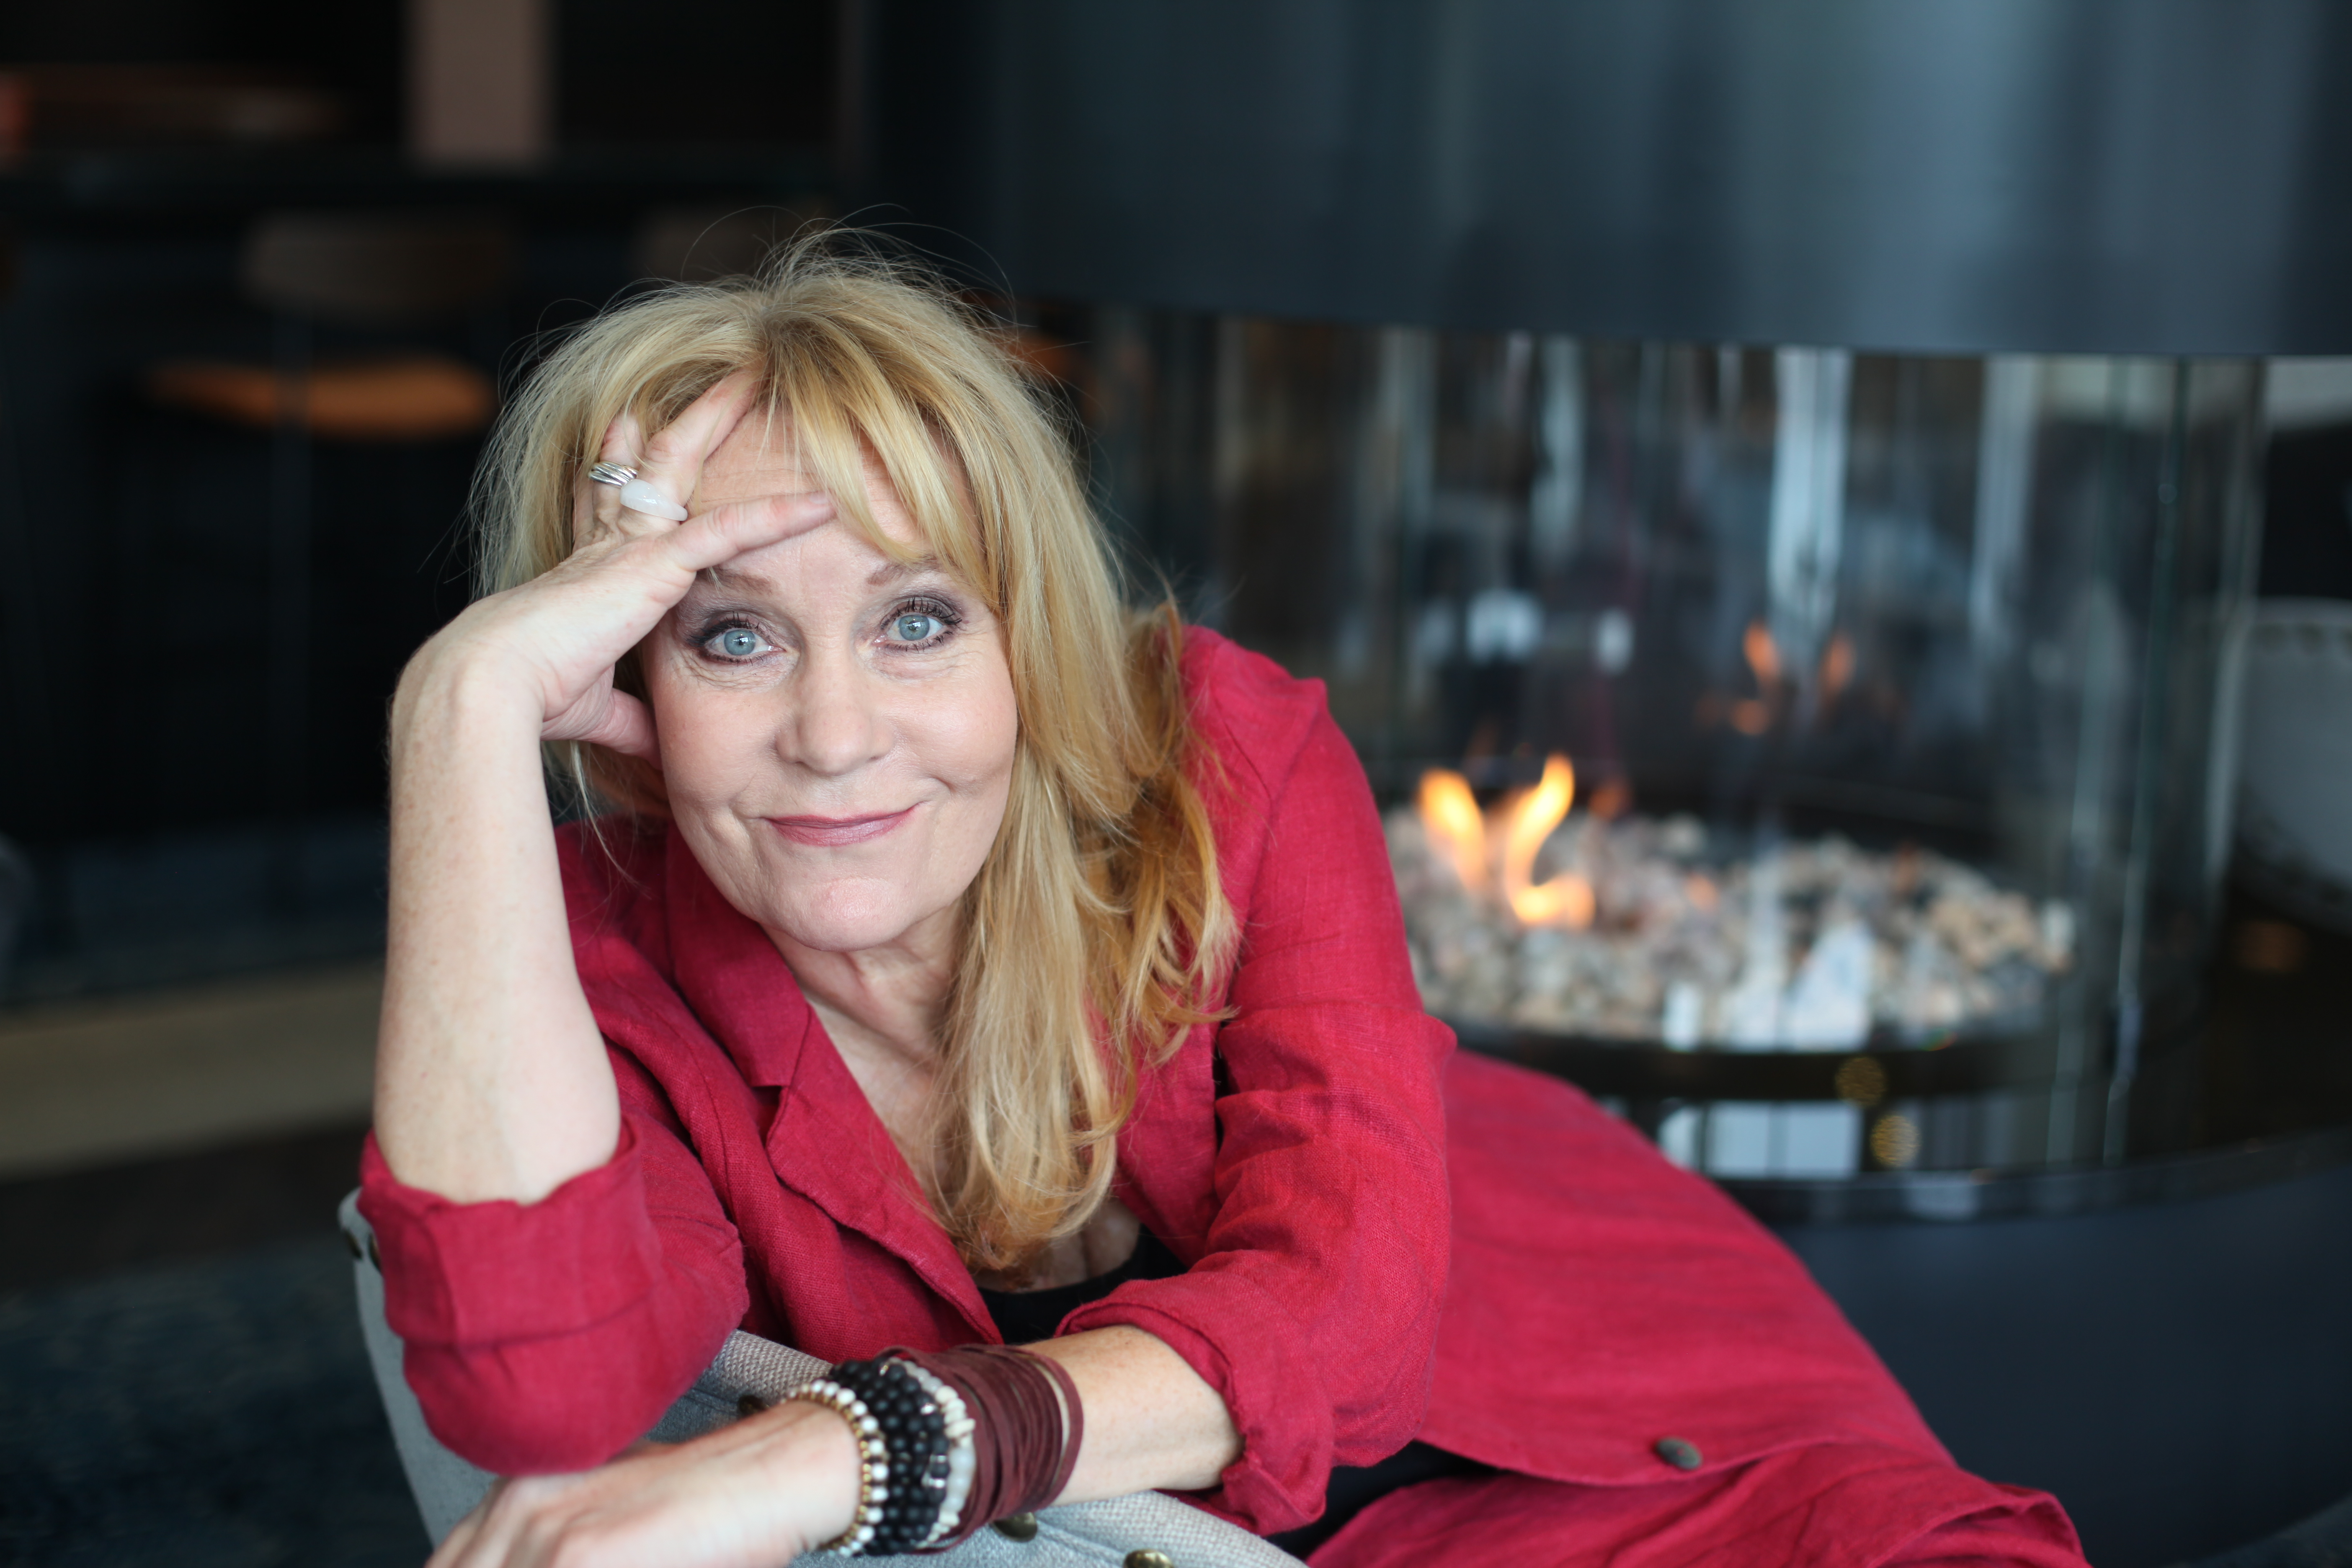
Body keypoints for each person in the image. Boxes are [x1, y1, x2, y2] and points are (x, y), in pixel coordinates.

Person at [360, 242, 2090, 1567]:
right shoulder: (592, 953)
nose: (834, 734)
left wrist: (841, 1452)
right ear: (623, 674)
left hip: (1586, 1411)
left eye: (919, 620)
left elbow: (1353, 1316)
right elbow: (532, 1391)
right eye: (730, 635)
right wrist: (459, 709)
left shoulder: (1216, 753)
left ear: (1029, 636)